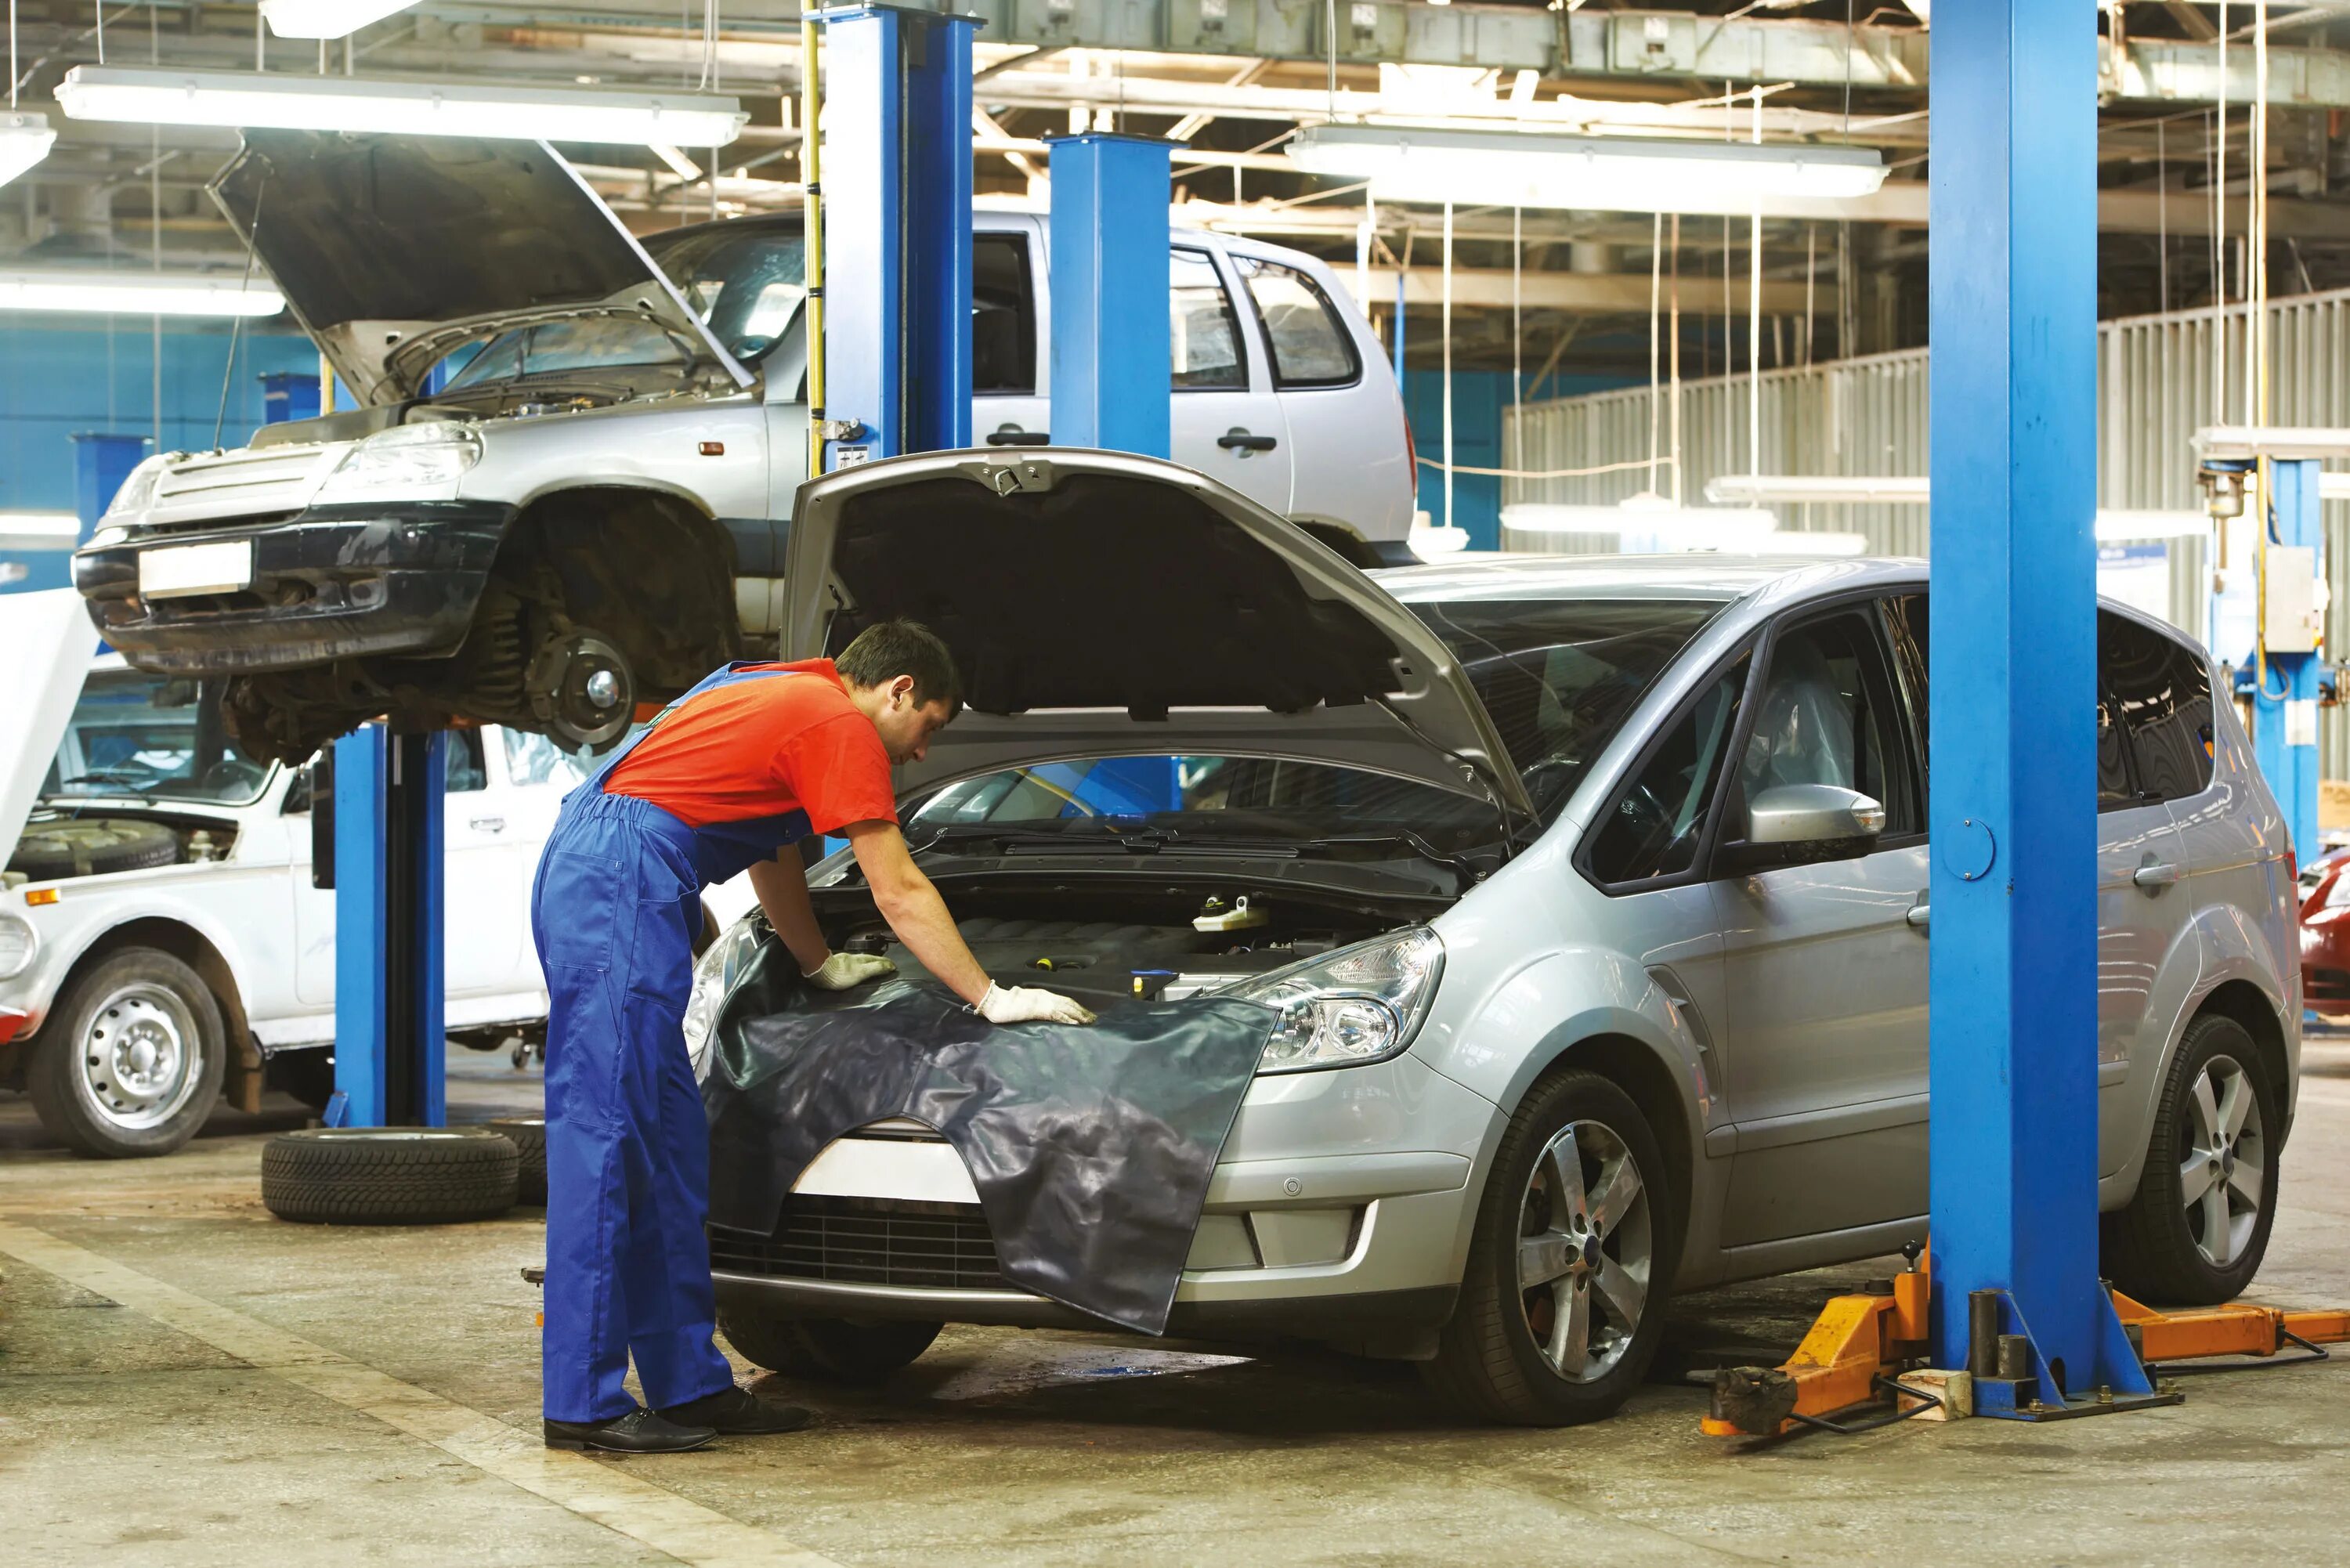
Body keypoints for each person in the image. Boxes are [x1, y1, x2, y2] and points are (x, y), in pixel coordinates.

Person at [532, 620, 1095, 1454]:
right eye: (929, 728)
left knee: (672, 1145)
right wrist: (991, 994)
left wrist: (816, 960)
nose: (919, 755)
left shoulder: (776, 690)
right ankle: (581, 1403)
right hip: (615, 881)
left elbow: (775, 850)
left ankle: (689, 1386)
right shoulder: (837, 722)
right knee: (608, 1140)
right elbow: (897, 885)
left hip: (618, 872)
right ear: (899, 689)